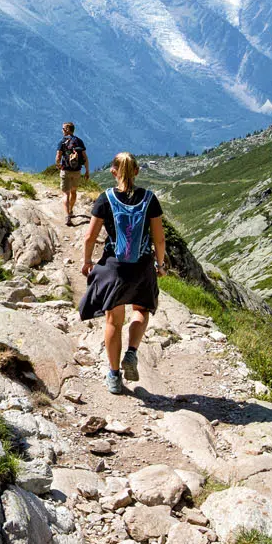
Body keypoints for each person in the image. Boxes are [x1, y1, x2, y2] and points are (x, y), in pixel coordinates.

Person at [79, 152, 166, 394]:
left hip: (114, 268)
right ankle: (132, 352)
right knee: (141, 311)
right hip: (141, 267)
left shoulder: (105, 199)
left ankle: (115, 376)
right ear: (136, 171)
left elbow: (89, 237)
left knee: (113, 322)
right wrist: (160, 265)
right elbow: (159, 239)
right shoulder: (150, 199)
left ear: (113, 171)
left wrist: (87, 261)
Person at [55, 122, 90, 226]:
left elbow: (58, 157)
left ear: (67, 129)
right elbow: (85, 157)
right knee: (74, 191)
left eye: (63, 128)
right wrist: (87, 171)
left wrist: (58, 165)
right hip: (77, 171)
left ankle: (67, 216)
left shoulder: (62, 142)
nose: (62, 130)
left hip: (65, 170)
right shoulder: (79, 141)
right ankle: (70, 210)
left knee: (66, 193)